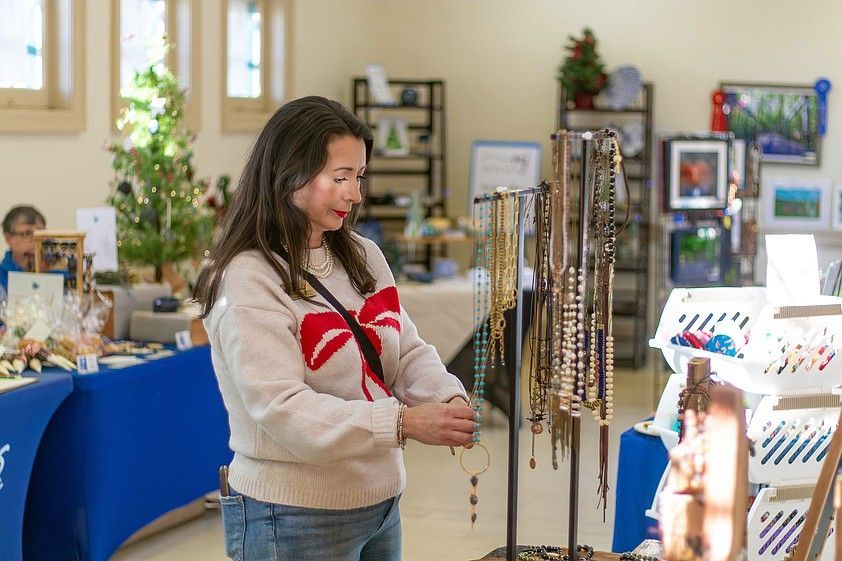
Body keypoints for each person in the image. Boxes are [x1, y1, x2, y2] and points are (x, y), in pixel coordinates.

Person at [193, 96, 475, 561]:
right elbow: (283, 407)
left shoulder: (363, 255)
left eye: (358, 177)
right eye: (340, 178)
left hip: (380, 503)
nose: (356, 194)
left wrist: (446, 397)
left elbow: (404, 350)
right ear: (289, 175)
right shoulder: (248, 277)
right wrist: (404, 422)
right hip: (292, 515)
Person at [1, 205, 47, 296]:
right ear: (8, 239)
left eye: (41, 232)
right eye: (27, 233)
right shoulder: (1, 278)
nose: (36, 240)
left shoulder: (60, 272)